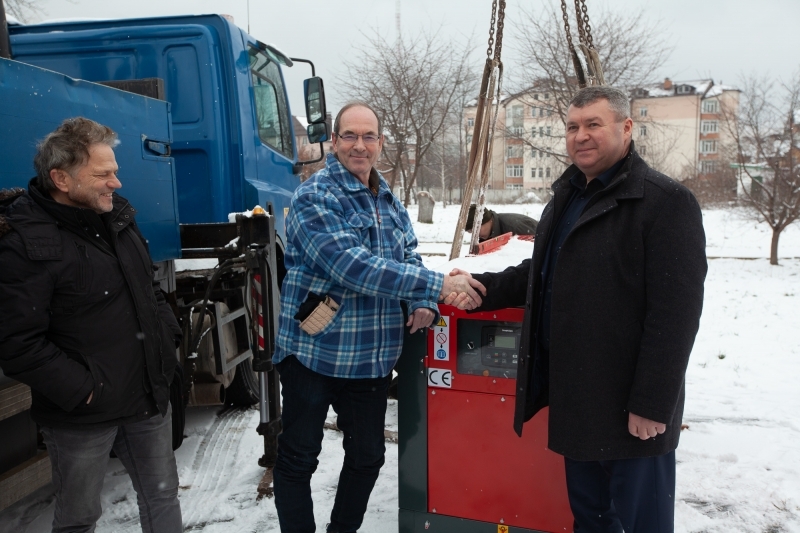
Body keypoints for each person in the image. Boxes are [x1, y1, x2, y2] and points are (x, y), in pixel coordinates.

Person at [448, 86, 707, 532]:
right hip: (578, 402)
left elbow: (676, 313)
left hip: (631, 413)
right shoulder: (568, 196)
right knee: (591, 519)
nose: (580, 136)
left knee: (640, 523)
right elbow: (544, 271)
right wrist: (480, 287)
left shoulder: (665, 203)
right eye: (572, 127)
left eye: (593, 125)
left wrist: (651, 403)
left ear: (626, 128)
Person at [273, 102, 485, 533]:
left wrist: (419, 302)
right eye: (349, 136)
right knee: (298, 457)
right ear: (333, 142)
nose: (359, 145)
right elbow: (352, 267)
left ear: (381, 143)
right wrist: (437, 287)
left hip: (370, 357)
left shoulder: (386, 196)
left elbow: (406, 251)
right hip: (314, 352)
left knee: (368, 456)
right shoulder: (315, 197)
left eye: (369, 137)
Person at [0, 117, 183, 533]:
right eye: (103, 174)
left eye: (115, 171)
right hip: (84, 414)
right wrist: (84, 389)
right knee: (79, 518)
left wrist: (165, 343)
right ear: (61, 178)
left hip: (146, 396)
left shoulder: (117, 216)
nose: (115, 183)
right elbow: (17, 344)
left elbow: (149, 289)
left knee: (162, 495)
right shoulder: (24, 241)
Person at [465, 204, 538, 242]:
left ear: (486, 220)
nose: (475, 235)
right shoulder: (489, 234)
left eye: (476, 230)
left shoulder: (515, 227)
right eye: (471, 232)